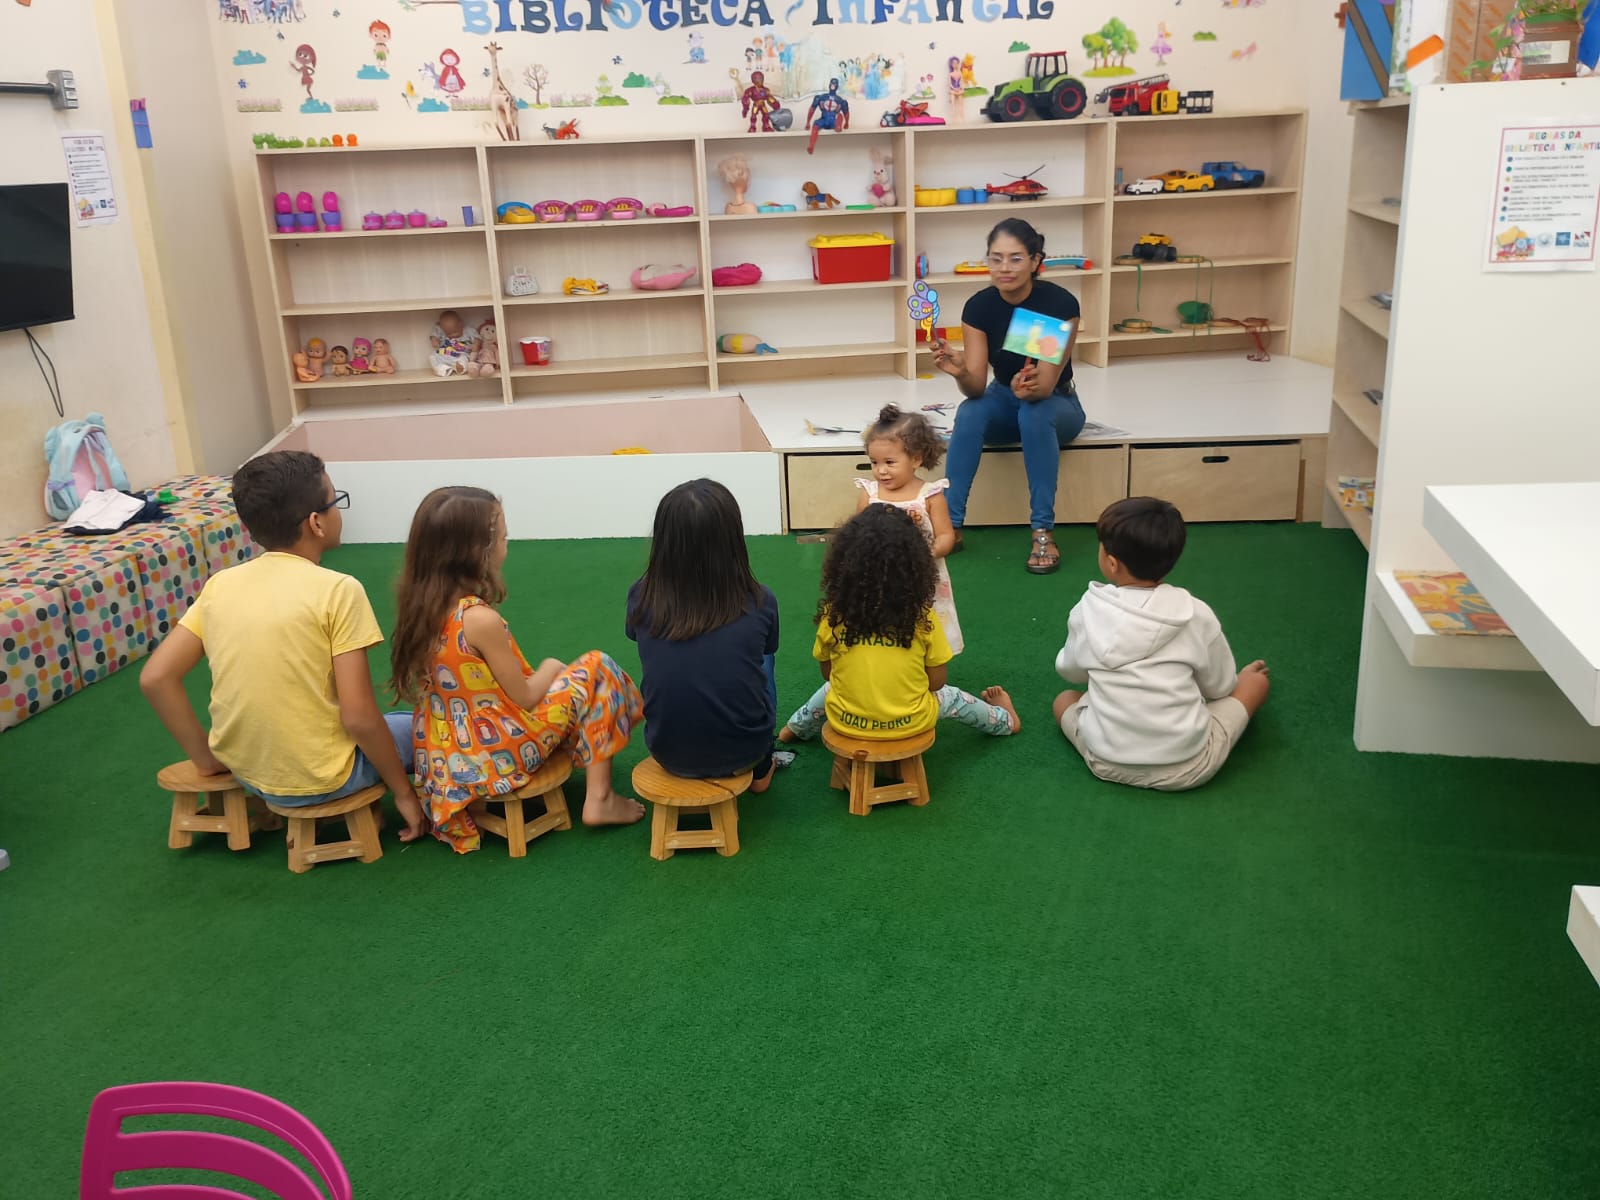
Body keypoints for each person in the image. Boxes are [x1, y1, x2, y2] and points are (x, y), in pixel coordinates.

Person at [140, 450, 427, 841]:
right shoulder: (338, 590)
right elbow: (359, 717)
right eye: (336, 501)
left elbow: (156, 677)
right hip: (327, 777)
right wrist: (404, 793)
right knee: (422, 725)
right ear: (316, 523)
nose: (339, 511)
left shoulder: (220, 585)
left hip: (249, 774)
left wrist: (206, 761)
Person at [388, 486, 645, 853]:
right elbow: (525, 697)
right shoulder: (479, 620)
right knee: (598, 668)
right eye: (504, 538)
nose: (507, 545)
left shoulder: (420, 606)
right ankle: (600, 798)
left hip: (447, 757)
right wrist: (551, 667)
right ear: (476, 552)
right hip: (495, 755)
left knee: (572, 681)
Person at [1052, 497, 1271, 792]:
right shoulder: (1196, 613)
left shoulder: (1087, 611)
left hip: (1104, 760)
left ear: (1112, 563)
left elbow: (1071, 672)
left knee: (1064, 699)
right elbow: (1219, 688)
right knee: (1255, 683)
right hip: (1190, 766)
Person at [778, 505, 1019, 744]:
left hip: (846, 720)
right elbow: (936, 683)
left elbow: (829, 674)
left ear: (843, 564)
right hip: (912, 721)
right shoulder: (923, 618)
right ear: (916, 567)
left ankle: (795, 727)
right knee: (952, 697)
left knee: (832, 688)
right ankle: (1005, 721)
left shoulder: (834, 615)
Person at [931, 217, 1088, 576]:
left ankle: (1042, 531)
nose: (1005, 268)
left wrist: (1028, 389)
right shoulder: (979, 307)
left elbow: (1044, 386)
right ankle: (950, 527)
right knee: (970, 411)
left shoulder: (1058, 303)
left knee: (1034, 413)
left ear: (1035, 261)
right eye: (996, 258)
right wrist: (961, 372)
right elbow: (976, 387)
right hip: (1003, 398)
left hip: (1056, 403)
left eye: (1016, 258)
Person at [626, 479, 780, 791]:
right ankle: (762, 764)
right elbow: (763, 651)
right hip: (745, 751)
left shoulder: (641, 595)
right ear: (733, 539)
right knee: (765, 660)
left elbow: (640, 640)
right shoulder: (760, 600)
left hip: (666, 751)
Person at [854, 404, 963, 654]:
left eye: (890, 462)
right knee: (882, 622)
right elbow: (857, 532)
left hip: (921, 575)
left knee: (926, 621)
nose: (881, 470)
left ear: (916, 458)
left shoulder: (930, 495)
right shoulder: (870, 493)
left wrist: (928, 553)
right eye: (874, 462)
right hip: (879, 574)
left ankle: (928, 661)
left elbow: (946, 535)